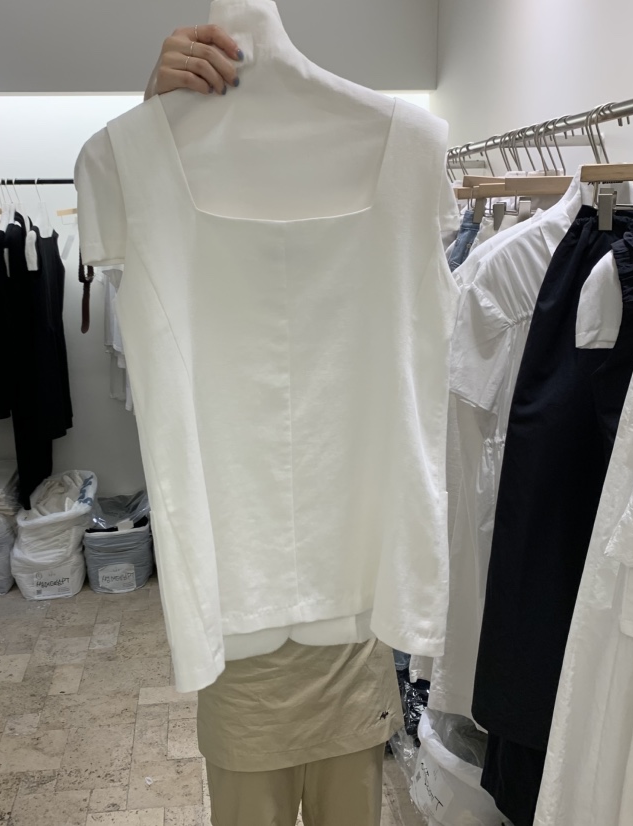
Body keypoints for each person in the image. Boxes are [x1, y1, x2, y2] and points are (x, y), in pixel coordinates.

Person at [141, 25, 404, 826]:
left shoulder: (394, 152)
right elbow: (132, 209)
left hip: (350, 627)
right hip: (240, 631)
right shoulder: (161, 169)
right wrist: (152, 122)